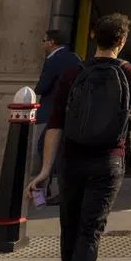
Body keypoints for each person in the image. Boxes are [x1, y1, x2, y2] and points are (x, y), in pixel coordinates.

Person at [26, 13, 131, 261]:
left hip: (71, 161)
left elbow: (55, 125)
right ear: (122, 41)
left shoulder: (73, 74)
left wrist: (45, 171)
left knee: (69, 226)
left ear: (94, 37)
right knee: (91, 229)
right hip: (108, 161)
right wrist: (121, 120)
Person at [33, 28, 83, 203]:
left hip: (54, 110)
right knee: (61, 150)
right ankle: (47, 190)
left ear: (51, 42)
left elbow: (42, 87)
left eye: (44, 40)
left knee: (45, 148)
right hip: (72, 110)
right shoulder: (75, 58)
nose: (43, 44)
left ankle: (45, 191)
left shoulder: (53, 60)